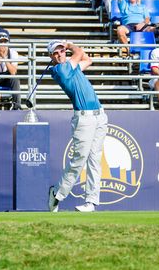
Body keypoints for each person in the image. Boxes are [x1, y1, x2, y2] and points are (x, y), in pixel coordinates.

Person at [47, 40, 108, 212]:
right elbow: (80, 52)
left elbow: (88, 60)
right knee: (79, 160)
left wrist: (70, 48)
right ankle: (57, 193)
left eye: (61, 51)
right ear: (51, 57)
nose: (59, 55)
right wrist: (70, 45)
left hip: (100, 116)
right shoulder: (60, 70)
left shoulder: (72, 68)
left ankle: (91, 202)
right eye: (55, 53)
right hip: (84, 119)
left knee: (95, 160)